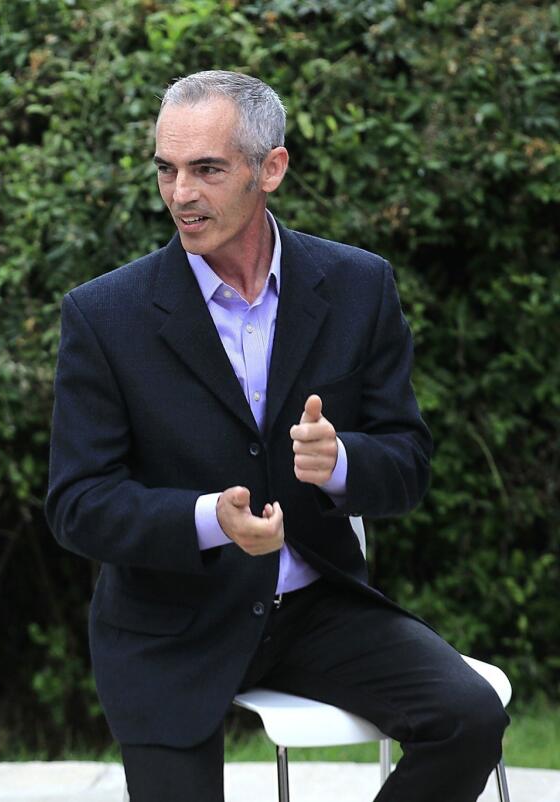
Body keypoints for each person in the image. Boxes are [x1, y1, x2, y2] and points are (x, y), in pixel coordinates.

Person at [45, 71, 508, 802]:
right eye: (166, 169)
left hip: (316, 608)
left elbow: (409, 463)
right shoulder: (106, 315)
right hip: (170, 626)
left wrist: (342, 462)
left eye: (207, 170)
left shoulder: (359, 285)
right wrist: (208, 520)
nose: (180, 195)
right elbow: (79, 504)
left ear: (272, 168)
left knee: (471, 718)